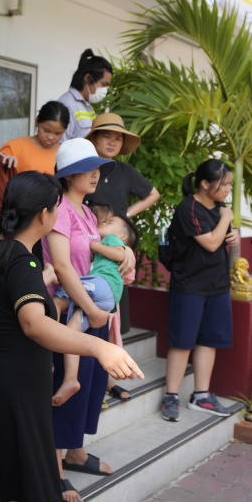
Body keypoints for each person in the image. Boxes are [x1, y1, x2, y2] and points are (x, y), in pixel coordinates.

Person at [0, 171, 142, 502]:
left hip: (5, 378)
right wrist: (100, 346)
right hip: (14, 385)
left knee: (4, 476)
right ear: (43, 214)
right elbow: (34, 324)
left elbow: (27, 310)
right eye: (57, 207)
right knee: (15, 480)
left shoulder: (2, 250)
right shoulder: (22, 260)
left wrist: (63, 301)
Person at [42, 138, 136, 485]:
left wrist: (124, 252)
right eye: (87, 168)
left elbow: (97, 254)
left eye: (98, 168)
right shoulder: (59, 209)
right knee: (66, 388)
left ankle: (77, 451)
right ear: (69, 175)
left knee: (92, 385)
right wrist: (91, 310)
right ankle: (55, 472)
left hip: (91, 307)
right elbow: (64, 267)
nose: (95, 174)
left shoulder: (85, 211)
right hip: (71, 310)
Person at [160, 159, 239, 422]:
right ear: (205, 184)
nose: (228, 188)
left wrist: (234, 233)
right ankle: (171, 396)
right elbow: (211, 243)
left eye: (229, 183)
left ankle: (201, 395)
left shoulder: (219, 207)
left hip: (217, 285)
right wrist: (226, 219)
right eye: (224, 183)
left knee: (209, 339)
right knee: (183, 341)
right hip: (190, 284)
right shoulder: (189, 207)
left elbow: (224, 238)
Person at [86, 111, 160, 361]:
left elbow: (153, 194)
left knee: (114, 312)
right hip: (84, 244)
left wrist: (126, 214)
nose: (112, 142)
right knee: (85, 308)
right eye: (106, 136)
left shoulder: (126, 170)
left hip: (115, 245)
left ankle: (109, 375)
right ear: (94, 138)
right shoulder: (83, 167)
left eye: (117, 139)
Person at [53, 213, 139, 406]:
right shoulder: (112, 241)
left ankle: (50, 282)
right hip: (105, 298)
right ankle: (70, 379)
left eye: (110, 222)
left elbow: (119, 254)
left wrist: (95, 245)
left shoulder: (112, 240)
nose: (103, 222)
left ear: (123, 239)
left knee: (65, 288)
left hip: (102, 285)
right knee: (71, 332)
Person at [0, 100, 69, 174]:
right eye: (46, 130)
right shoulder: (14, 148)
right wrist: (3, 162)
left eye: (57, 133)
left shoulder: (65, 155)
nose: (50, 137)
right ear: (37, 122)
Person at [57, 49, 113, 141]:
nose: (105, 90)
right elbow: (59, 145)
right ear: (88, 78)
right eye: (104, 84)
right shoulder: (67, 104)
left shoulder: (87, 106)